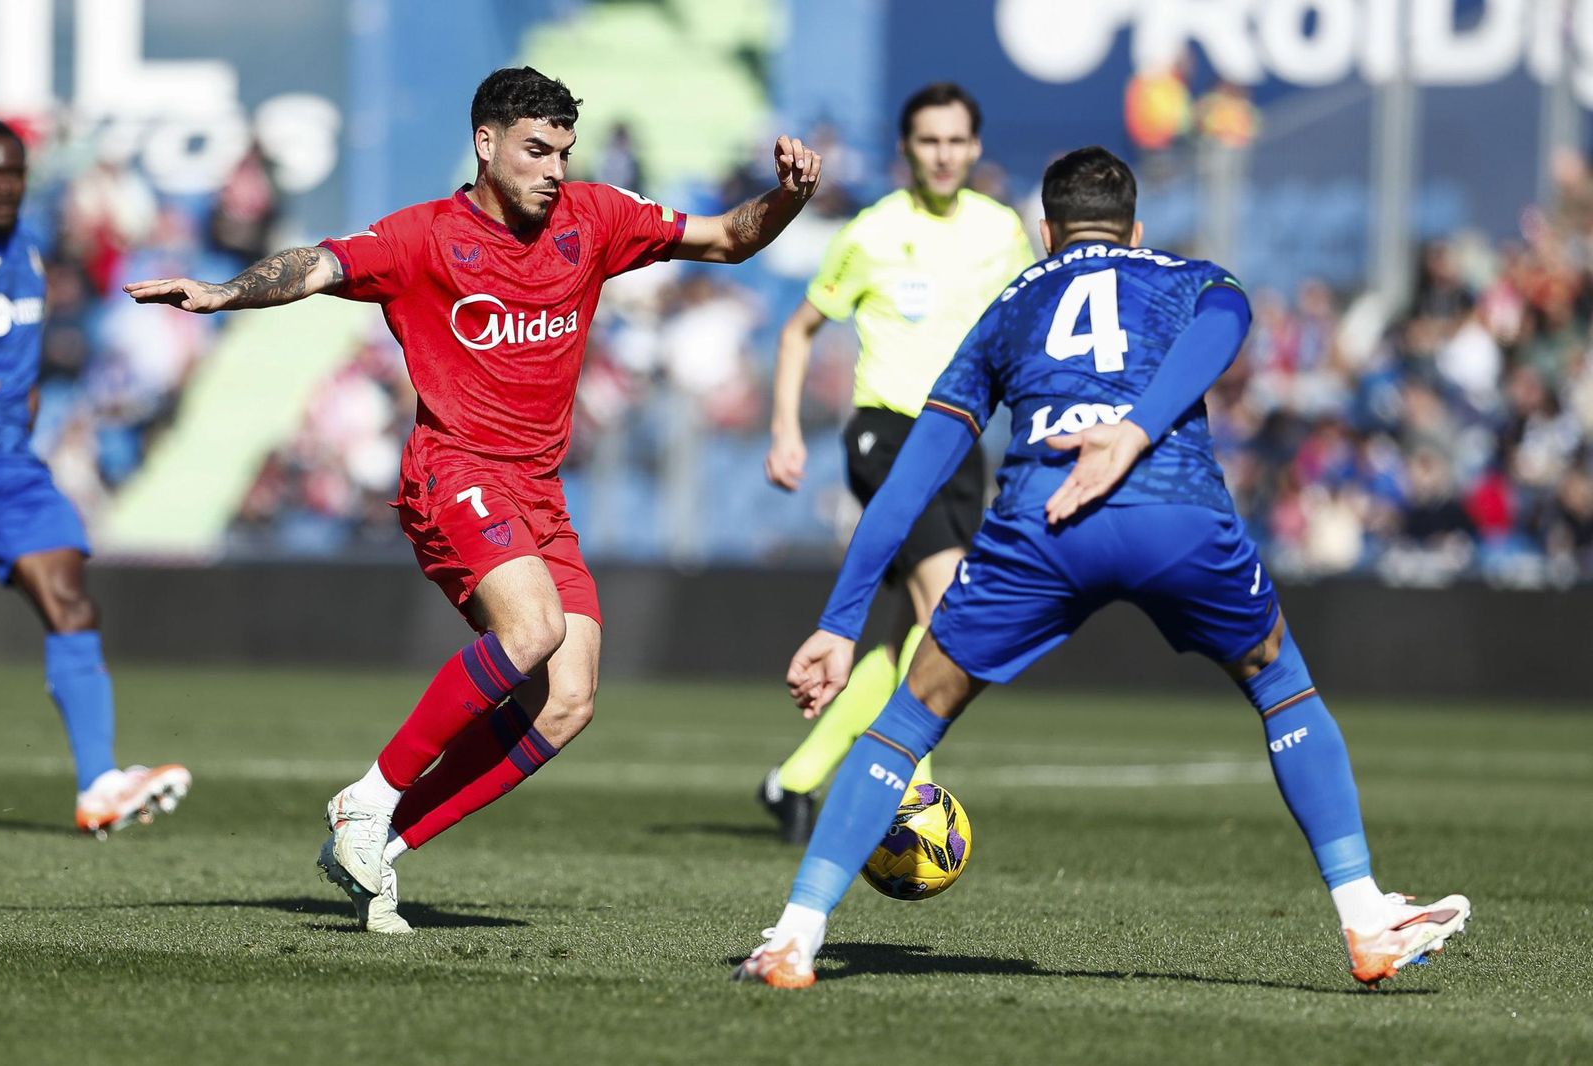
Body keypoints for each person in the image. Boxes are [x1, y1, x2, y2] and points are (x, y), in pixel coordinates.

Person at [734, 147, 1468, 989]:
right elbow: (1229, 320)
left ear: (1047, 234)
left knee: (907, 719)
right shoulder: (1189, 275)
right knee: (1280, 684)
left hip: (1044, 522)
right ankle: (1365, 917)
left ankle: (794, 938)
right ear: (1136, 230)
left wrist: (840, 621)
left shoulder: (1010, 302)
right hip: (1172, 510)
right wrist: (1135, 428)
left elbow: (912, 477)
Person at [125, 67, 821, 933]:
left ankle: (378, 845)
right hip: (452, 470)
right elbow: (317, 265)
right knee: (533, 632)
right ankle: (368, 797)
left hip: (539, 490)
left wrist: (787, 199)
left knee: (568, 702)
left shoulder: (595, 217)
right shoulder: (422, 238)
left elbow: (727, 239)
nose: (554, 170)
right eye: (536, 151)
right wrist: (226, 293)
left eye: (563, 152)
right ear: (486, 145)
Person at [758, 83, 1032, 843]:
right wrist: (784, 429)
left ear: (975, 148)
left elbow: (1024, 332)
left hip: (964, 446)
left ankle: (795, 780)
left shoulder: (1003, 232)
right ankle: (911, 799)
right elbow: (797, 329)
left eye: (955, 140)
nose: (943, 154)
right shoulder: (873, 231)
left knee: (906, 634)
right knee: (945, 613)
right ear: (906, 149)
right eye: (929, 141)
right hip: (886, 435)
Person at [0, 120, 191, 837]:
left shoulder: (27, 248)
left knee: (70, 602)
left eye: (13, 173)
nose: (4, 187)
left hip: (11, 466)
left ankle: (99, 784)